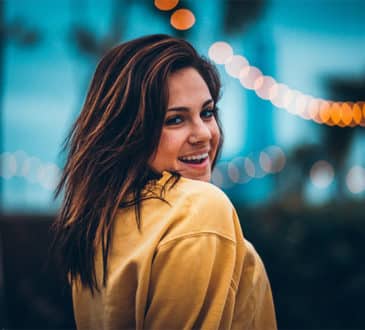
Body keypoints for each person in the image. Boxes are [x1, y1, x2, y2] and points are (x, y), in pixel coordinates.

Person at [52, 34, 277, 330]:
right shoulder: (198, 209)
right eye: (175, 120)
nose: (203, 134)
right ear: (128, 132)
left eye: (207, 113)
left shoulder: (100, 220)